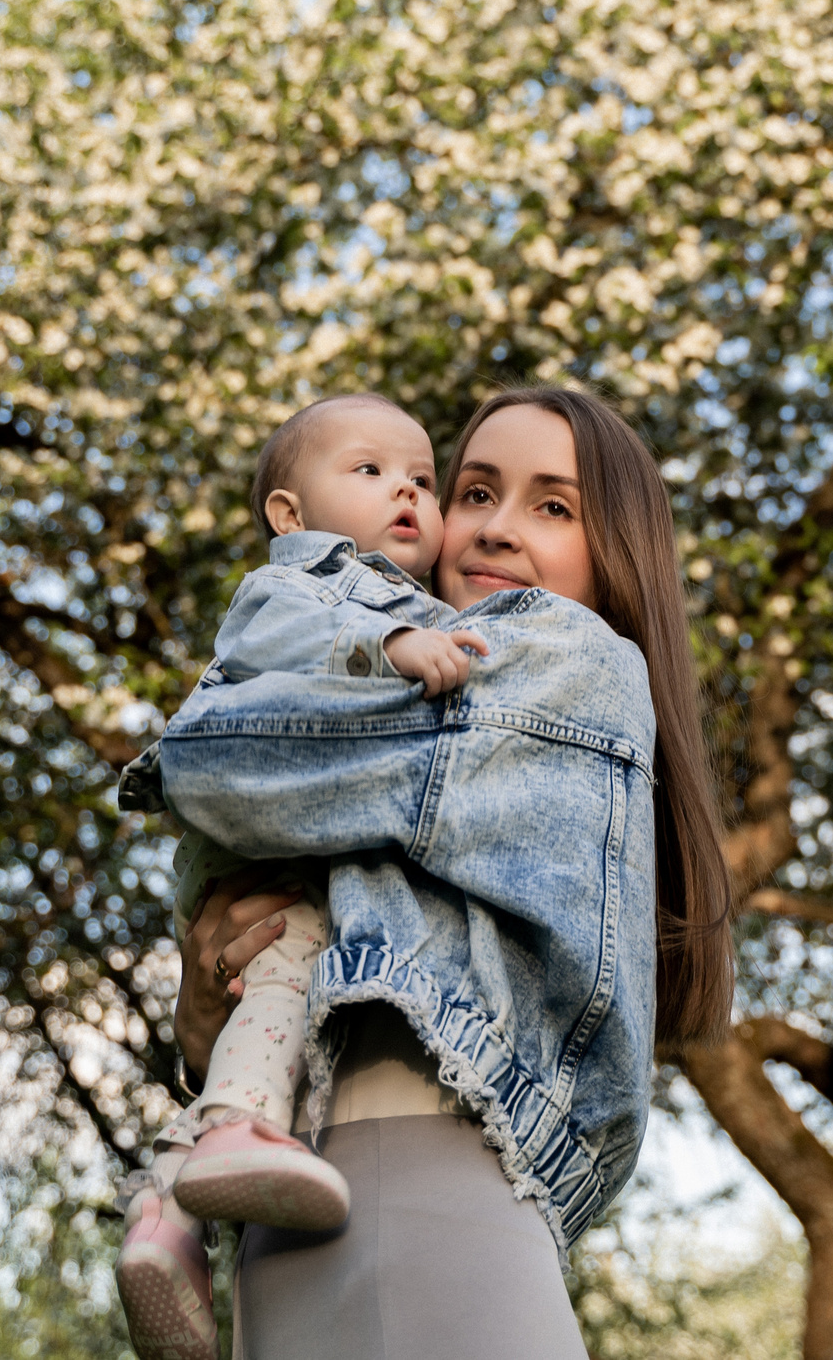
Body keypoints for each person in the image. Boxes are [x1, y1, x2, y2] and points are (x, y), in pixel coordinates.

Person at [159, 386, 735, 1360]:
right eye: (473, 490)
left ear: (619, 551)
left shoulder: (569, 658)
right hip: (320, 1197)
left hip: (418, 1179)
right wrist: (203, 1020)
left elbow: (212, 764)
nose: (496, 528)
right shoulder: (412, 658)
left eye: (553, 506)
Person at [115, 393, 491, 1360]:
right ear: (290, 516)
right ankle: (240, 1126)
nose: (406, 488)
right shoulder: (307, 586)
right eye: (368, 470)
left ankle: (167, 1216)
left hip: (284, 843)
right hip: (265, 847)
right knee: (297, 949)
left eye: (422, 478)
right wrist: (388, 644)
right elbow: (264, 646)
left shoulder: (427, 606)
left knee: (277, 1001)